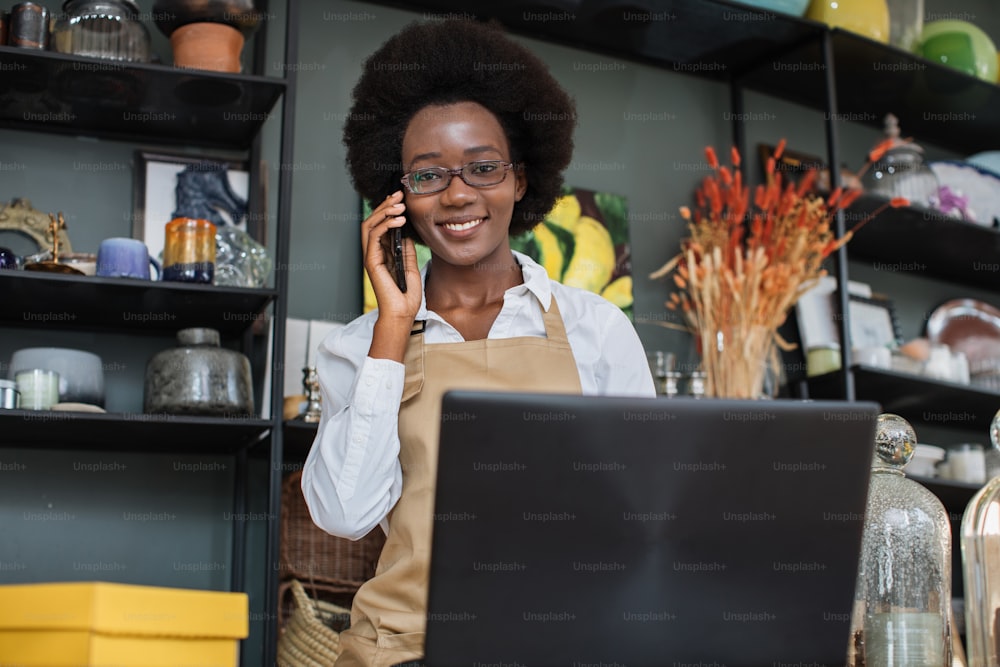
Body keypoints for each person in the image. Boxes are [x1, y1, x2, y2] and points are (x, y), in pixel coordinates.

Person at [301, 17, 655, 667]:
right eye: (428, 175)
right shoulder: (360, 346)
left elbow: (642, 516)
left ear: (520, 180)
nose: (459, 193)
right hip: (406, 646)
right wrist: (391, 326)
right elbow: (344, 513)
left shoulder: (596, 330)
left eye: (482, 167)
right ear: (399, 196)